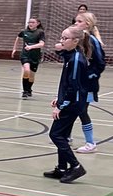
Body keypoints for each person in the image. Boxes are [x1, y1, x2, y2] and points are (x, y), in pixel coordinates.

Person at [43, 25, 92, 184]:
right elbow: (66, 83)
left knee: (55, 134)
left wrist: (61, 105)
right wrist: (59, 98)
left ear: (75, 41)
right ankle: (62, 168)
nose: (61, 41)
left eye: (65, 38)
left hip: (74, 103)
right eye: (61, 37)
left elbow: (74, 86)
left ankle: (76, 166)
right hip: (71, 101)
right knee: (62, 135)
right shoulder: (70, 56)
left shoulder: (77, 59)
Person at [73, 10, 105, 153]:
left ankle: (90, 143)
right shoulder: (78, 38)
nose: (76, 23)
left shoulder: (93, 41)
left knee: (82, 110)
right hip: (76, 82)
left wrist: (89, 76)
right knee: (71, 108)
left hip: (88, 84)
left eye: (79, 21)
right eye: (76, 21)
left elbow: (100, 64)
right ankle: (66, 136)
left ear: (87, 24)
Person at [11, 16, 45, 98]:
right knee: (26, 70)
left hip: (35, 56)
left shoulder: (40, 32)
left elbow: (42, 44)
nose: (30, 24)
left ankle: (29, 89)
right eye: (29, 22)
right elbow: (18, 37)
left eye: (33, 22)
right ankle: (25, 91)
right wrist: (14, 49)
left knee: (32, 75)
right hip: (25, 55)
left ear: (38, 23)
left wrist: (31, 47)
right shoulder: (24, 31)